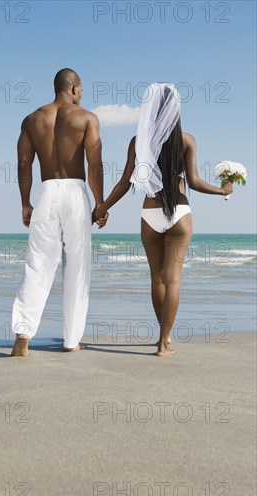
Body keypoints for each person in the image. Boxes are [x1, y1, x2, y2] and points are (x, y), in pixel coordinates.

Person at [93, 83, 233, 357]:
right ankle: (163, 341)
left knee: (156, 280)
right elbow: (193, 181)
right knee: (174, 280)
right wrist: (222, 190)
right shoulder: (187, 140)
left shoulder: (138, 142)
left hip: (150, 215)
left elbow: (124, 182)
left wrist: (102, 207)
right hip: (180, 213)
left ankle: (163, 338)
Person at [11, 68, 108, 357]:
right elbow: (95, 164)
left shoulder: (32, 120)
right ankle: (71, 341)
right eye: (82, 90)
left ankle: (23, 332)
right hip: (76, 193)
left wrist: (25, 203)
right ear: (75, 88)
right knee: (78, 269)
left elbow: (24, 165)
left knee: (38, 264)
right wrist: (99, 203)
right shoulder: (86, 118)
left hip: (48, 192)